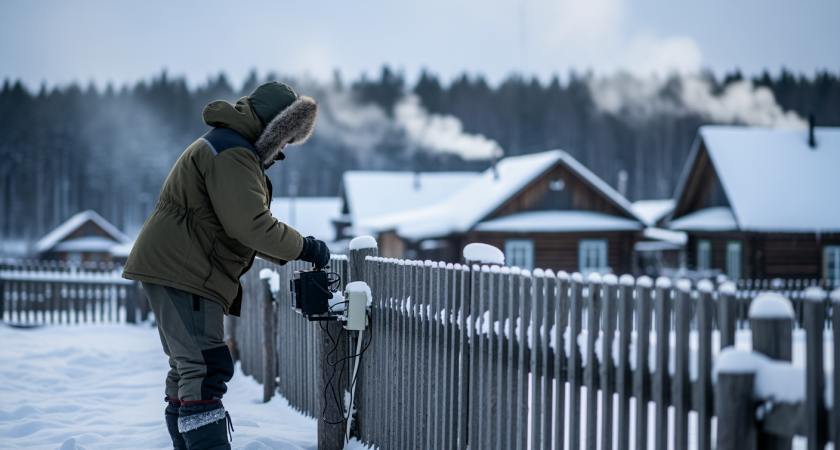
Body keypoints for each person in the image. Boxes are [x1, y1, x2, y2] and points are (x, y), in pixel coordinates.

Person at [123, 81, 330, 450]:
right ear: (274, 125)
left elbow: (239, 225)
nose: (284, 148)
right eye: (286, 138)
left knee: (188, 370)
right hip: (184, 270)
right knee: (205, 368)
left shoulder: (225, 144)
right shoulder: (232, 152)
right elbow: (250, 225)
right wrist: (306, 248)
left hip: (175, 266)